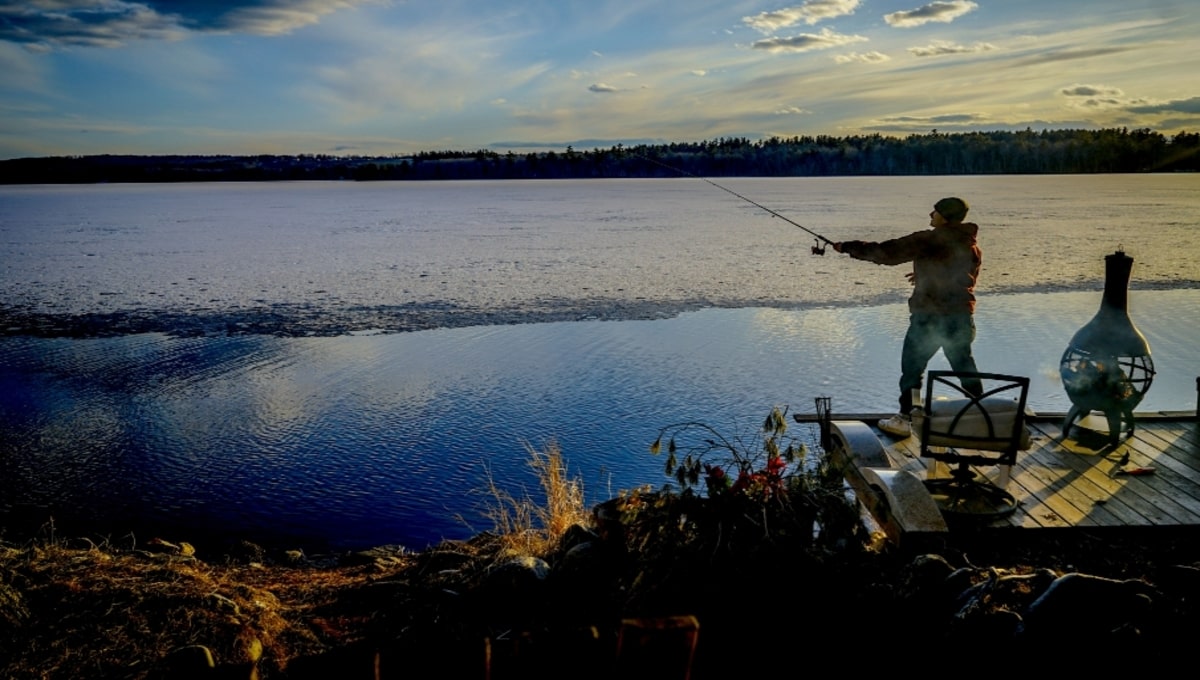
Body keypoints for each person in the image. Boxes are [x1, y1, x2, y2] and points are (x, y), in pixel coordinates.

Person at [833, 197, 983, 438]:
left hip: (930, 319)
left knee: (912, 369)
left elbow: (887, 253)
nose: (930, 214)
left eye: (935, 211)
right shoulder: (971, 244)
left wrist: (847, 246)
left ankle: (906, 417)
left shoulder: (930, 239)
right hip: (961, 317)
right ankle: (981, 415)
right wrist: (924, 274)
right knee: (964, 366)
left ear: (945, 216)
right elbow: (963, 276)